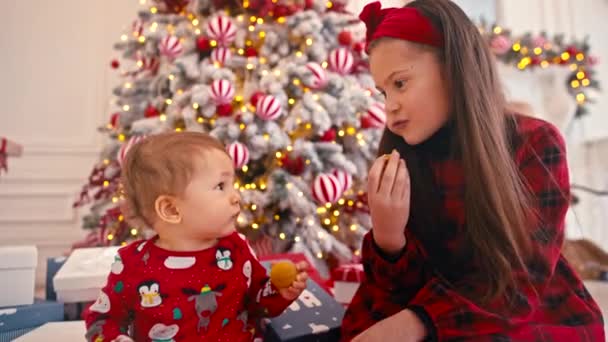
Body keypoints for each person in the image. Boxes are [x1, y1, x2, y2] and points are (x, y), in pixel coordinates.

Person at [341, 1, 605, 341]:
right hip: (431, 304)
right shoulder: (404, 159)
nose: (389, 105)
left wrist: (416, 323)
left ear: (454, 69)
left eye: (401, 83)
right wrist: (389, 239)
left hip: (511, 306)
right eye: (383, 91)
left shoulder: (536, 144)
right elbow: (396, 289)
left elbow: (520, 281)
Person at [84, 132, 309, 342]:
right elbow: (101, 320)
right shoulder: (132, 264)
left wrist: (280, 292)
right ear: (171, 210)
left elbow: (258, 304)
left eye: (233, 184)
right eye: (221, 186)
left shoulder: (236, 248)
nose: (236, 196)